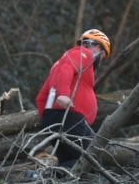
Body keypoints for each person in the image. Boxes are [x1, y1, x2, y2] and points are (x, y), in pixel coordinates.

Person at [34, 28, 111, 167]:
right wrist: (64, 95)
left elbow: (41, 97)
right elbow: (67, 67)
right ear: (98, 48)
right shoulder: (84, 54)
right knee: (93, 157)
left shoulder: (58, 64)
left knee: (72, 163)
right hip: (69, 118)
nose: (100, 61)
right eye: (103, 56)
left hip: (56, 119)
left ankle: (46, 179)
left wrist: (47, 118)